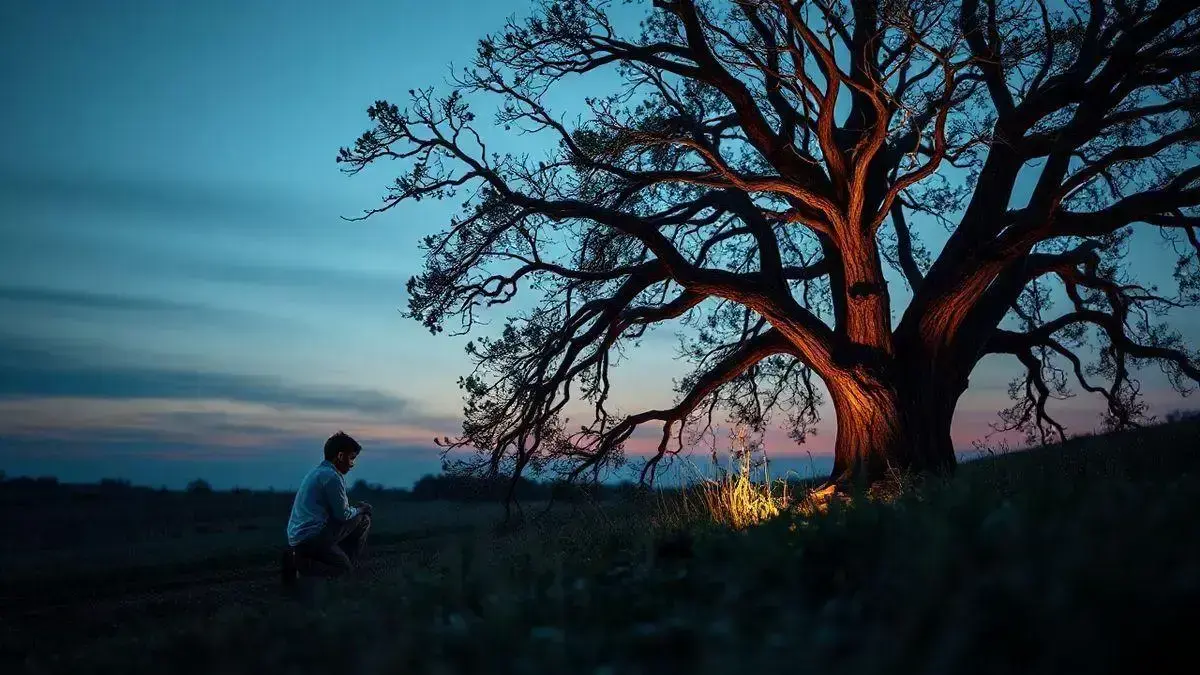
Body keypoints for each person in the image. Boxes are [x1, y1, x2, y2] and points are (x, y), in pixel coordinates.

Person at [281, 431, 373, 587]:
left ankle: (312, 560)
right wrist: (361, 509)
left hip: (299, 537)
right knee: (363, 519)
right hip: (313, 537)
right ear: (340, 456)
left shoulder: (316, 473)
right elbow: (343, 515)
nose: (352, 464)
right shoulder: (332, 477)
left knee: (354, 518)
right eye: (351, 458)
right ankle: (306, 567)